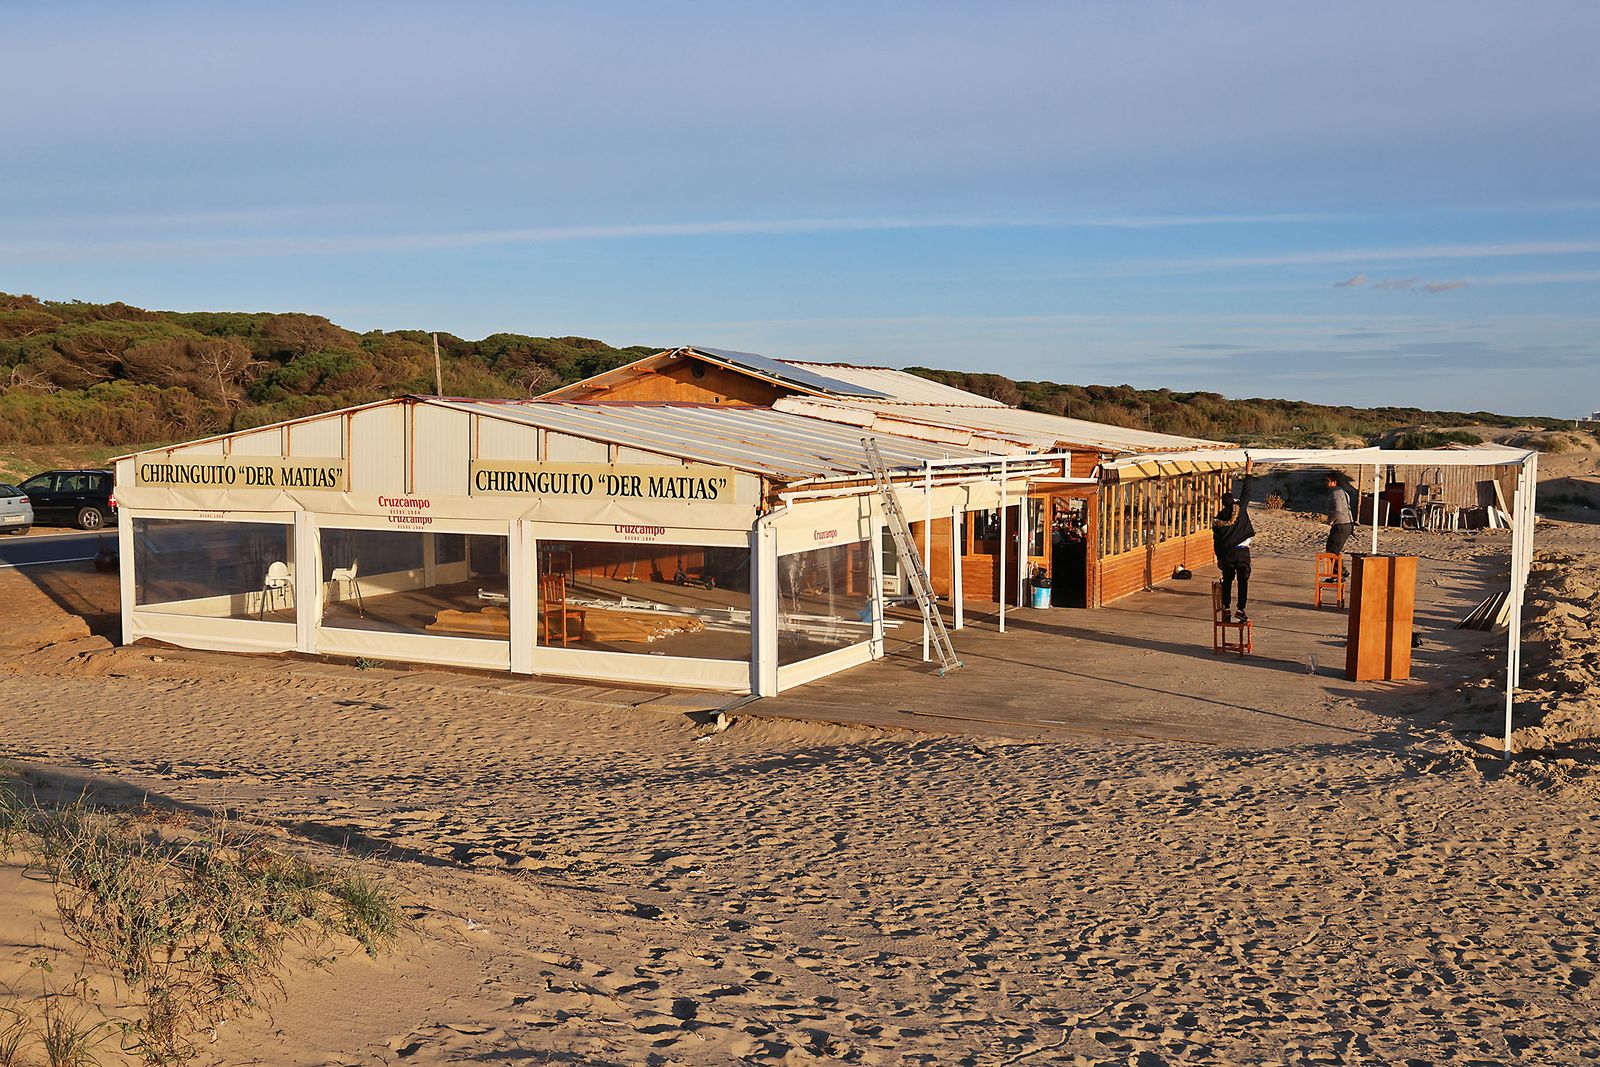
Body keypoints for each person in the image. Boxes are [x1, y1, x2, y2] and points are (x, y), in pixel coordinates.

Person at [1212, 463, 1255, 622]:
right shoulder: (1240, 509)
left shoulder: (1219, 519)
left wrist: (1219, 558)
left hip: (1227, 554)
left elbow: (1216, 541)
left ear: (1223, 504)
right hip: (1242, 551)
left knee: (1228, 580)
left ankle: (1227, 609)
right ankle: (1240, 609)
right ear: (1233, 501)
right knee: (1243, 580)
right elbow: (1247, 491)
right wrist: (1248, 471)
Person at [1324, 473, 1355, 560]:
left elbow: (1338, 509)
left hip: (1342, 524)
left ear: (1334, 482)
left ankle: (1340, 572)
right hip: (1342, 524)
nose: (1326, 483)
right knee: (1331, 549)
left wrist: (1330, 520)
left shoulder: (1336, 493)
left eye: (1328, 481)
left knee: (1333, 551)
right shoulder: (1340, 492)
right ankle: (1338, 571)